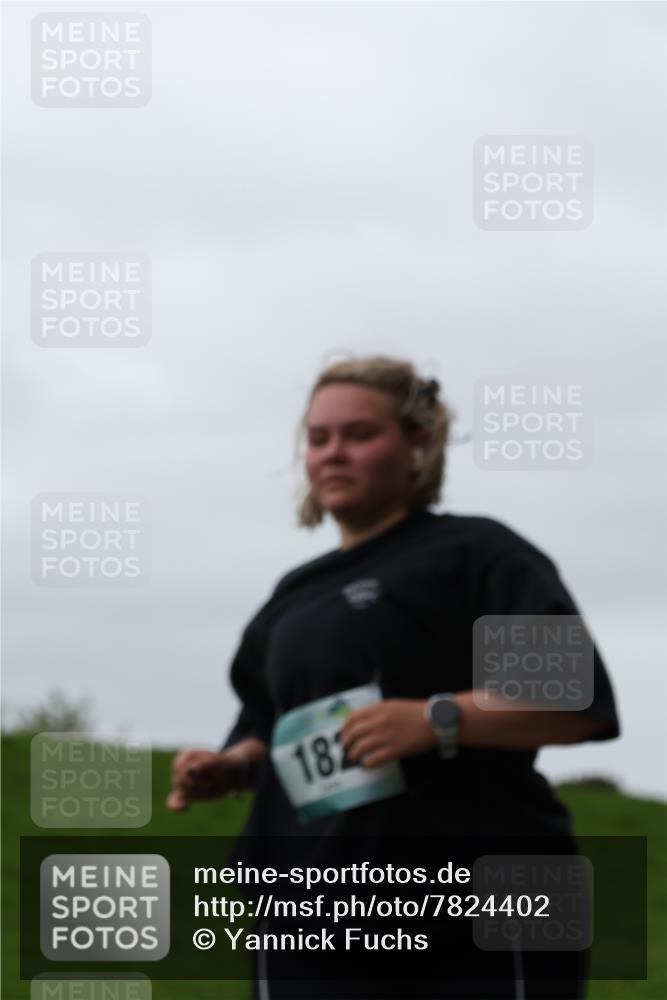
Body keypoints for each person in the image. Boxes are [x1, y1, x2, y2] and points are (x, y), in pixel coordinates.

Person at [167, 355, 620, 1000]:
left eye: (358, 434)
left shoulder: (478, 555)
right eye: (317, 439)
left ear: (419, 443)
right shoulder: (291, 599)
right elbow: (269, 723)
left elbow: (577, 703)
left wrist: (436, 719)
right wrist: (232, 766)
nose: (332, 454)